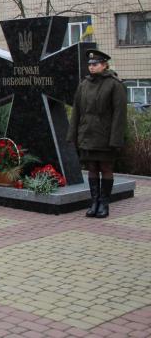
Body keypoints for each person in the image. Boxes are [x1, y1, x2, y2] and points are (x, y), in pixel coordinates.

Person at [67, 49, 127, 218]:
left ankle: (104, 204)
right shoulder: (84, 84)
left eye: (96, 64)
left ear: (104, 65)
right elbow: (76, 111)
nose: (92, 67)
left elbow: (119, 114)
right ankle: (94, 202)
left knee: (105, 168)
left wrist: (116, 139)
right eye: (90, 64)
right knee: (92, 168)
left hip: (105, 135)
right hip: (87, 134)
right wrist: (73, 135)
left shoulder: (114, 84)